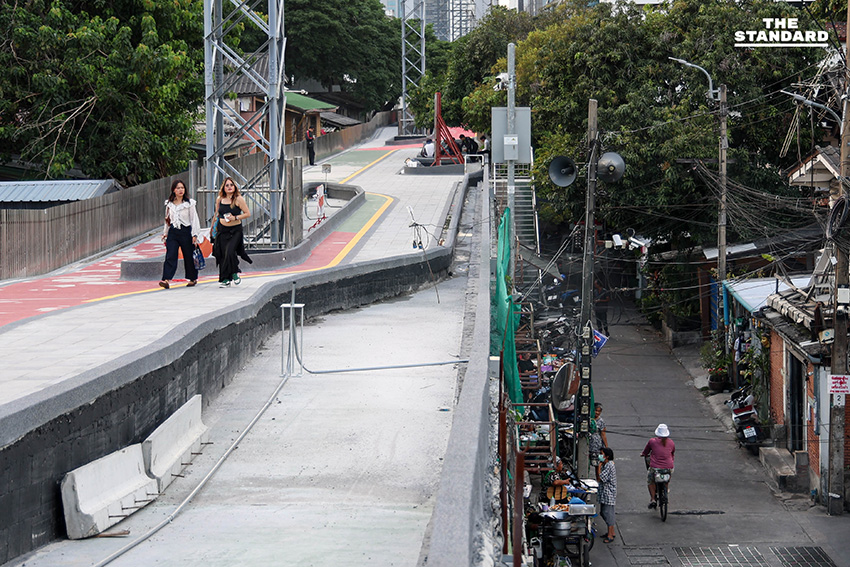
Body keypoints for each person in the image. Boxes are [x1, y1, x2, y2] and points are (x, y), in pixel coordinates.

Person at [159, 179, 201, 289]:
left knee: (188, 255)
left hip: (186, 231)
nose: (180, 190)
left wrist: (194, 235)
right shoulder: (169, 204)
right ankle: (166, 279)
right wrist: (165, 233)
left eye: (182, 188)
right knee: (170, 255)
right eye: (178, 188)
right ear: (174, 190)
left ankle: (192, 278)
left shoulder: (189, 204)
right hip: (173, 231)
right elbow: (167, 220)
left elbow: (194, 219)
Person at [212, 177, 252, 288]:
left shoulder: (238, 199)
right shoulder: (220, 199)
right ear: (223, 188)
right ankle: (225, 279)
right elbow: (217, 214)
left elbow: (247, 213)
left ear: (235, 187)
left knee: (230, 251)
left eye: (231, 185)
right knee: (223, 254)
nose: (229, 187)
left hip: (235, 230)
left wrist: (235, 217)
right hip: (222, 230)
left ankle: (234, 272)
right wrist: (213, 228)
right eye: (227, 185)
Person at [641, 423, 675, 509]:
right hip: (668, 467)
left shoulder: (652, 441)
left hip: (655, 467)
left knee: (650, 481)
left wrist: (643, 454)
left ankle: (653, 499)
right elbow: (672, 454)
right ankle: (665, 490)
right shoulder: (671, 442)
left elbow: (646, 452)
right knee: (667, 478)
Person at [596, 447, 617, 543]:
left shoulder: (609, 465)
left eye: (602, 454)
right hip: (605, 493)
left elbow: (600, 478)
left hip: (608, 493)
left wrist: (599, 466)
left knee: (608, 513)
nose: (600, 456)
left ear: (607, 456)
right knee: (604, 512)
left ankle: (610, 535)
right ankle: (611, 532)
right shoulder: (606, 464)